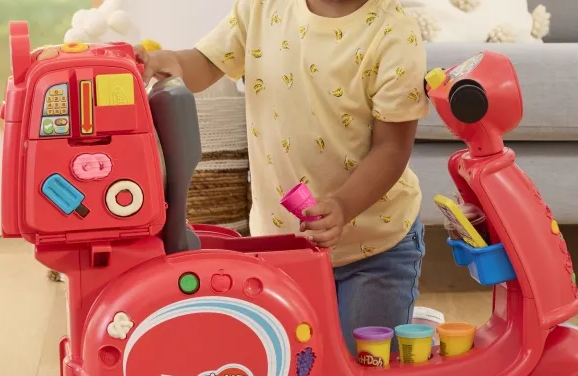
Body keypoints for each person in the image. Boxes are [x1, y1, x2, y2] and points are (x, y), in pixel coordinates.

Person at [135, 0, 429, 355]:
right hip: (282, 246)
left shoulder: (395, 33)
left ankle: (415, 330)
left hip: (373, 246)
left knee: (365, 368)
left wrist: (342, 204)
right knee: (292, 362)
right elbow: (208, 62)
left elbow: (391, 148)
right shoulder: (263, 7)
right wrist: (172, 62)